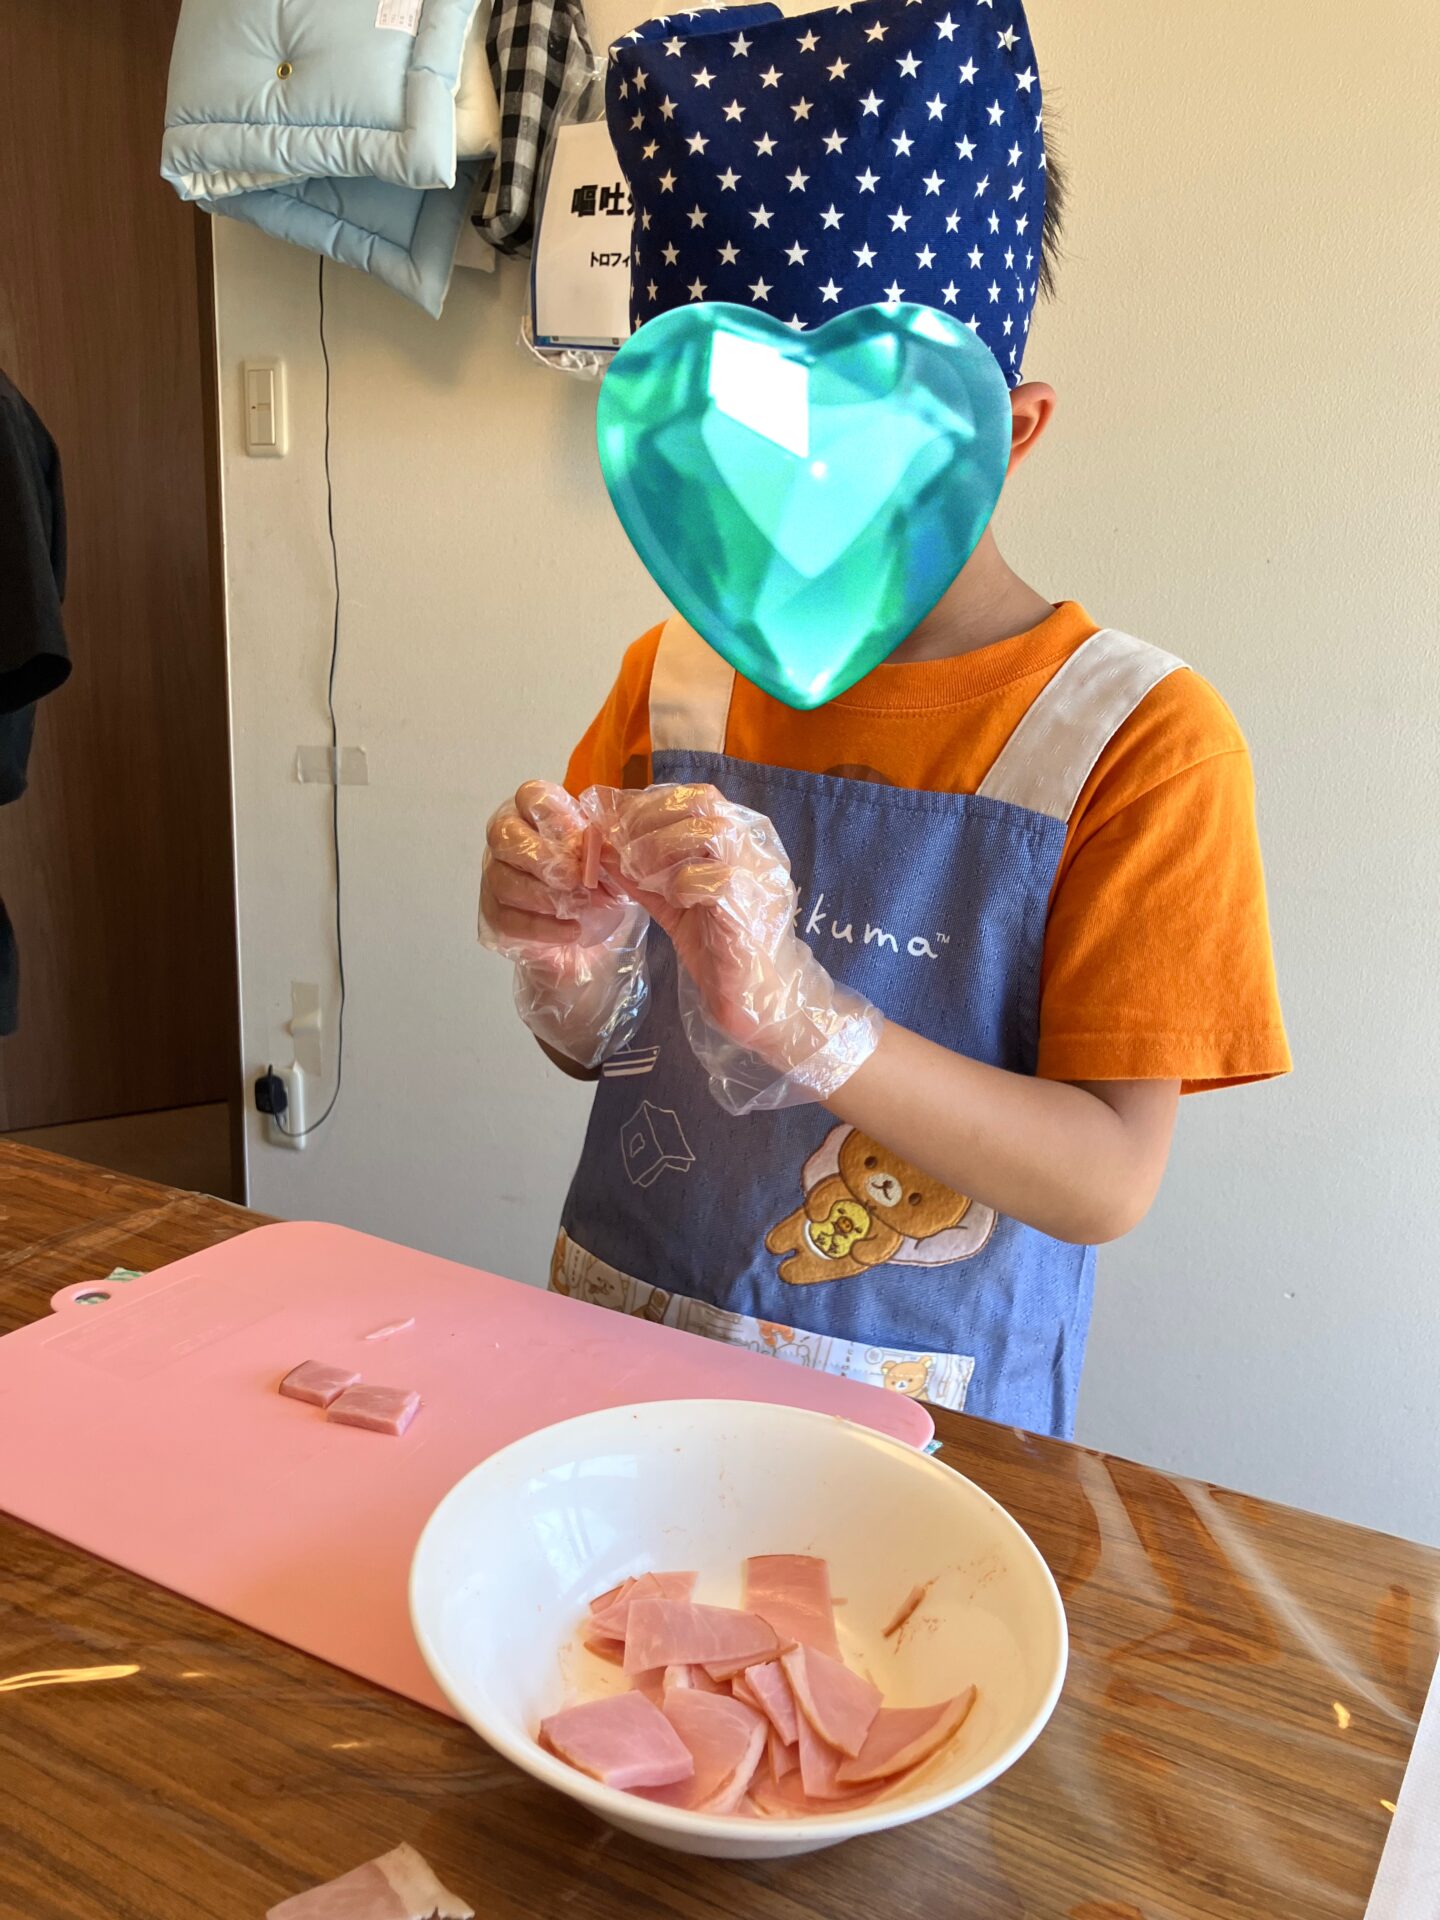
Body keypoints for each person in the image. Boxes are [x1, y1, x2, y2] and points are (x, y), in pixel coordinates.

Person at [479, 0, 1289, 1436]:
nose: (797, 499)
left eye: (859, 449)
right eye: (741, 448)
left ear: (1011, 432)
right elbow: (605, 1046)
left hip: (927, 1430)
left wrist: (811, 1023)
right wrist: (563, 953)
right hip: (625, 1361)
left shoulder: (1137, 744)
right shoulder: (674, 681)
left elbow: (1107, 1176)